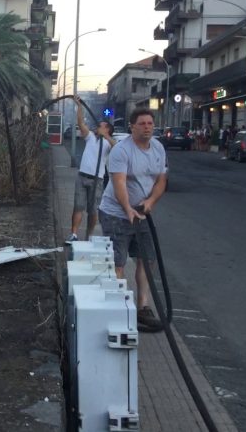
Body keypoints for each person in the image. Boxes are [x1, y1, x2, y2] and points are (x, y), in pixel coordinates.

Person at [97, 108, 167, 331]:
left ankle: (142, 307)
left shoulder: (158, 148)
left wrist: (150, 202)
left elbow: (161, 180)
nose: (147, 127)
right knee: (117, 261)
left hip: (141, 213)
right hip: (115, 213)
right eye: (142, 123)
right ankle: (118, 307)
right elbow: (119, 183)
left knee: (148, 258)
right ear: (132, 127)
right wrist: (127, 208)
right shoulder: (122, 151)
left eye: (150, 123)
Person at [66, 99, 115, 243]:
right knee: (78, 206)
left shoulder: (108, 143)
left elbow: (116, 147)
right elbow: (81, 123)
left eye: (101, 125)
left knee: (93, 211)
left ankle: (90, 236)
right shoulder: (90, 137)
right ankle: (74, 234)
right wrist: (79, 107)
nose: (97, 126)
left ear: (107, 129)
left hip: (96, 180)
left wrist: (106, 135)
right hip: (82, 177)